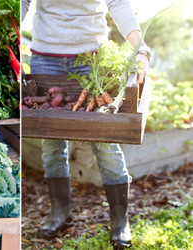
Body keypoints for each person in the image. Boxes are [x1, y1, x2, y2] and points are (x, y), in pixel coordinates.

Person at [21, 1, 151, 249]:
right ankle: (60, 213)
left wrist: (140, 46)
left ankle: (119, 221)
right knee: (51, 144)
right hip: (45, 59)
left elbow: (117, 2)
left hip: (90, 60)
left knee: (104, 142)